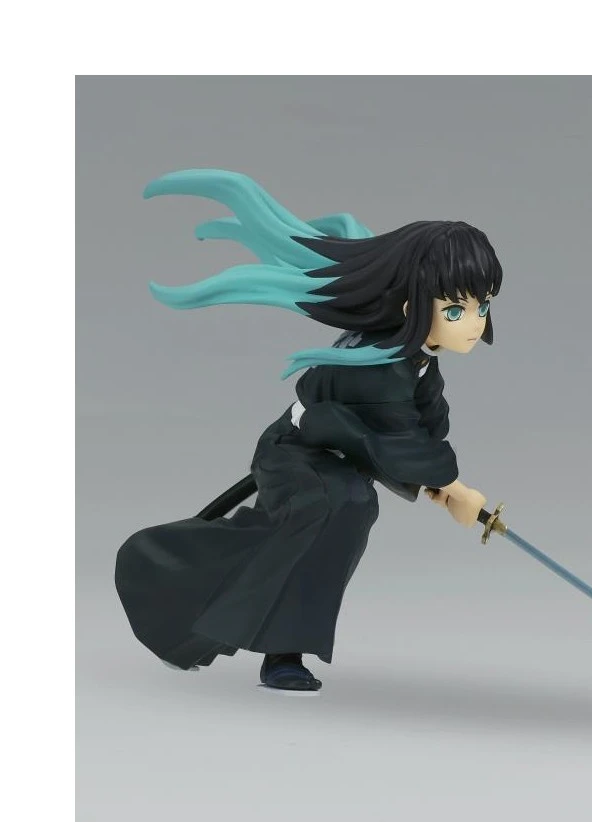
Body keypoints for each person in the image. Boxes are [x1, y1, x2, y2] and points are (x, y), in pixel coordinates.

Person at [114, 169, 502, 692]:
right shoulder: (382, 367)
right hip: (295, 453)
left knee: (347, 508)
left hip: (336, 458)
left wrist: (441, 486)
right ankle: (187, 590)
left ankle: (278, 647)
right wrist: (451, 486)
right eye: (457, 309)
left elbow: (421, 430)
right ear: (412, 307)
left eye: (481, 306)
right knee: (335, 505)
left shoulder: (415, 359)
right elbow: (399, 440)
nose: (475, 322)